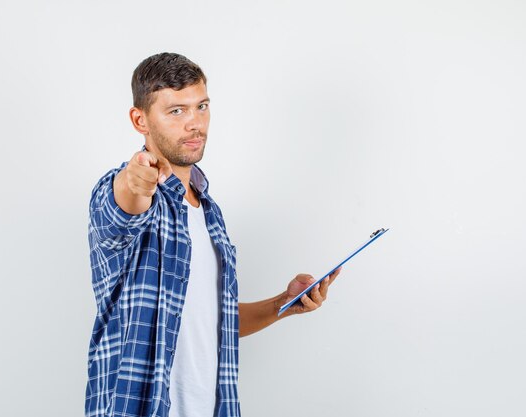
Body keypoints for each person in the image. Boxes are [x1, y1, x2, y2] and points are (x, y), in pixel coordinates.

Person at [85, 52, 341, 417]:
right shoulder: (118, 190)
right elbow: (126, 203)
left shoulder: (210, 214)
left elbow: (210, 320)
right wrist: (136, 179)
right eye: (177, 111)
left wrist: (282, 304)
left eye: (201, 107)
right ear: (139, 120)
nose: (195, 124)